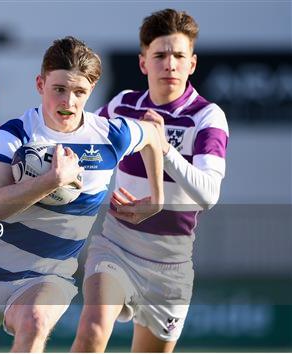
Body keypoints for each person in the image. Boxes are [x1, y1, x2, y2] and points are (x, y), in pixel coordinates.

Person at [0, 36, 164, 353]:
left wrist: (157, 198)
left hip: (47, 274)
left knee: (35, 322)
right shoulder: (16, 133)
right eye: (59, 89)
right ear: (40, 84)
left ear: (92, 90)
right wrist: (52, 180)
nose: (68, 101)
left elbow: (154, 135)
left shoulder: (110, 136)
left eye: (79, 92)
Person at [71, 9, 229, 352]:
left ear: (192, 63)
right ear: (144, 63)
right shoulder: (121, 106)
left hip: (171, 266)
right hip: (117, 246)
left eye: (178, 56)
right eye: (159, 55)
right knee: (92, 331)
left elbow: (208, 195)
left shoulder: (207, 117)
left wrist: (162, 148)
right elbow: (84, 149)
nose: (169, 64)